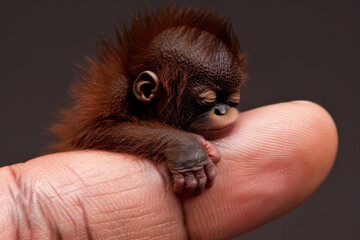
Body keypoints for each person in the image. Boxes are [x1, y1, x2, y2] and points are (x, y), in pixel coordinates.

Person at [0, 101, 337, 239]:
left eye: (231, 100)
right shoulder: (113, 103)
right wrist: (176, 146)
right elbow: (96, 133)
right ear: (148, 91)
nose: (226, 111)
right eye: (211, 99)